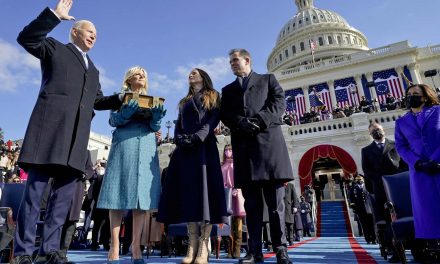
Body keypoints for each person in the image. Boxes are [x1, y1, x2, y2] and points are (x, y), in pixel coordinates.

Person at [12, 1, 123, 263]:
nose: (94, 35)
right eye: (89, 30)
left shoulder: (94, 70)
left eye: (97, 33)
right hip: (48, 135)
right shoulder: (54, 49)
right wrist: (53, 16)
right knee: (34, 198)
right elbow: (27, 38)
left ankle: (50, 250)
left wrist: (120, 98)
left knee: (61, 203)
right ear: (74, 31)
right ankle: (24, 252)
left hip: (75, 142)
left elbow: (97, 100)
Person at [220, 48, 294, 264]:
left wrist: (260, 120)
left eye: (235, 60)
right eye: (230, 61)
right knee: (251, 207)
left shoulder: (268, 80)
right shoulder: (228, 90)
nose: (232, 64)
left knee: (275, 205)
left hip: (269, 149)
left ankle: (281, 249)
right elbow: (225, 114)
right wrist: (239, 122)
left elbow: (278, 103)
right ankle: (254, 251)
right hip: (245, 152)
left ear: (247, 60)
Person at [157, 68, 228, 264]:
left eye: (194, 72)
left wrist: (198, 137)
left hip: (204, 149)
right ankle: (192, 244)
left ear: (203, 76)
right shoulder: (183, 101)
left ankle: (203, 245)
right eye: (189, 73)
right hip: (185, 151)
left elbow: (213, 119)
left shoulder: (213, 95)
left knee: (204, 194)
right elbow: (179, 124)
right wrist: (180, 139)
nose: (191, 74)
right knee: (189, 195)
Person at [97, 66, 166, 264]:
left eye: (144, 74)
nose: (141, 76)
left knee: (141, 199)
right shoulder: (120, 98)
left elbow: (154, 127)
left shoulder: (152, 101)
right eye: (137, 74)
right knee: (116, 196)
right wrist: (124, 115)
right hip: (124, 146)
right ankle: (114, 245)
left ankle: (136, 245)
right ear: (128, 79)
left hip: (146, 148)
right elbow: (113, 120)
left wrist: (157, 118)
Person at [394, 84, 440, 240]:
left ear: (425, 97)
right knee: (429, 210)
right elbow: (401, 146)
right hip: (420, 171)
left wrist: (435, 160)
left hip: (438, 164)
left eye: (415, 93)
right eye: (409, 94)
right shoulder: (401, 122)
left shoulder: (438, 111)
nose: (411, 96)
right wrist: (418, 163)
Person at [221, 144, 246, 258]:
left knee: (238, 222)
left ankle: (237, 249)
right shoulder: (221, 165)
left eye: (230, 149)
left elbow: (241, 178)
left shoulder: (237, 164)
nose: (228, 152)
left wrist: (237, 188)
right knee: (228, 223)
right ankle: (229, 250)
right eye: (226, 150)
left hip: (237, 194)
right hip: (226, 195)